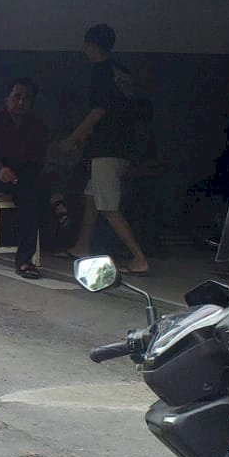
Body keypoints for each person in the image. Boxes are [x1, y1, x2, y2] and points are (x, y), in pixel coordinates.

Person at [61, 24, 150, 275]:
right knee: (92, 198)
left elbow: (99, 110)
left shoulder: (100, 72)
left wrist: (74, 137)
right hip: (125, 145)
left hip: (106, 148)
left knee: (108, 206)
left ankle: (138, 257)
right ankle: (82, 247)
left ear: (90, 45)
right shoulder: (121, 72)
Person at [0, 78, 50, 279]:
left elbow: (38, 160)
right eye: (17, 97)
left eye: (27, 98)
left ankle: (25, 260)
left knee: (33, 200)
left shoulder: (37, 126)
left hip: (22, 178)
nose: (21, 102)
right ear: (7, 98)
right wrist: (0, 169)